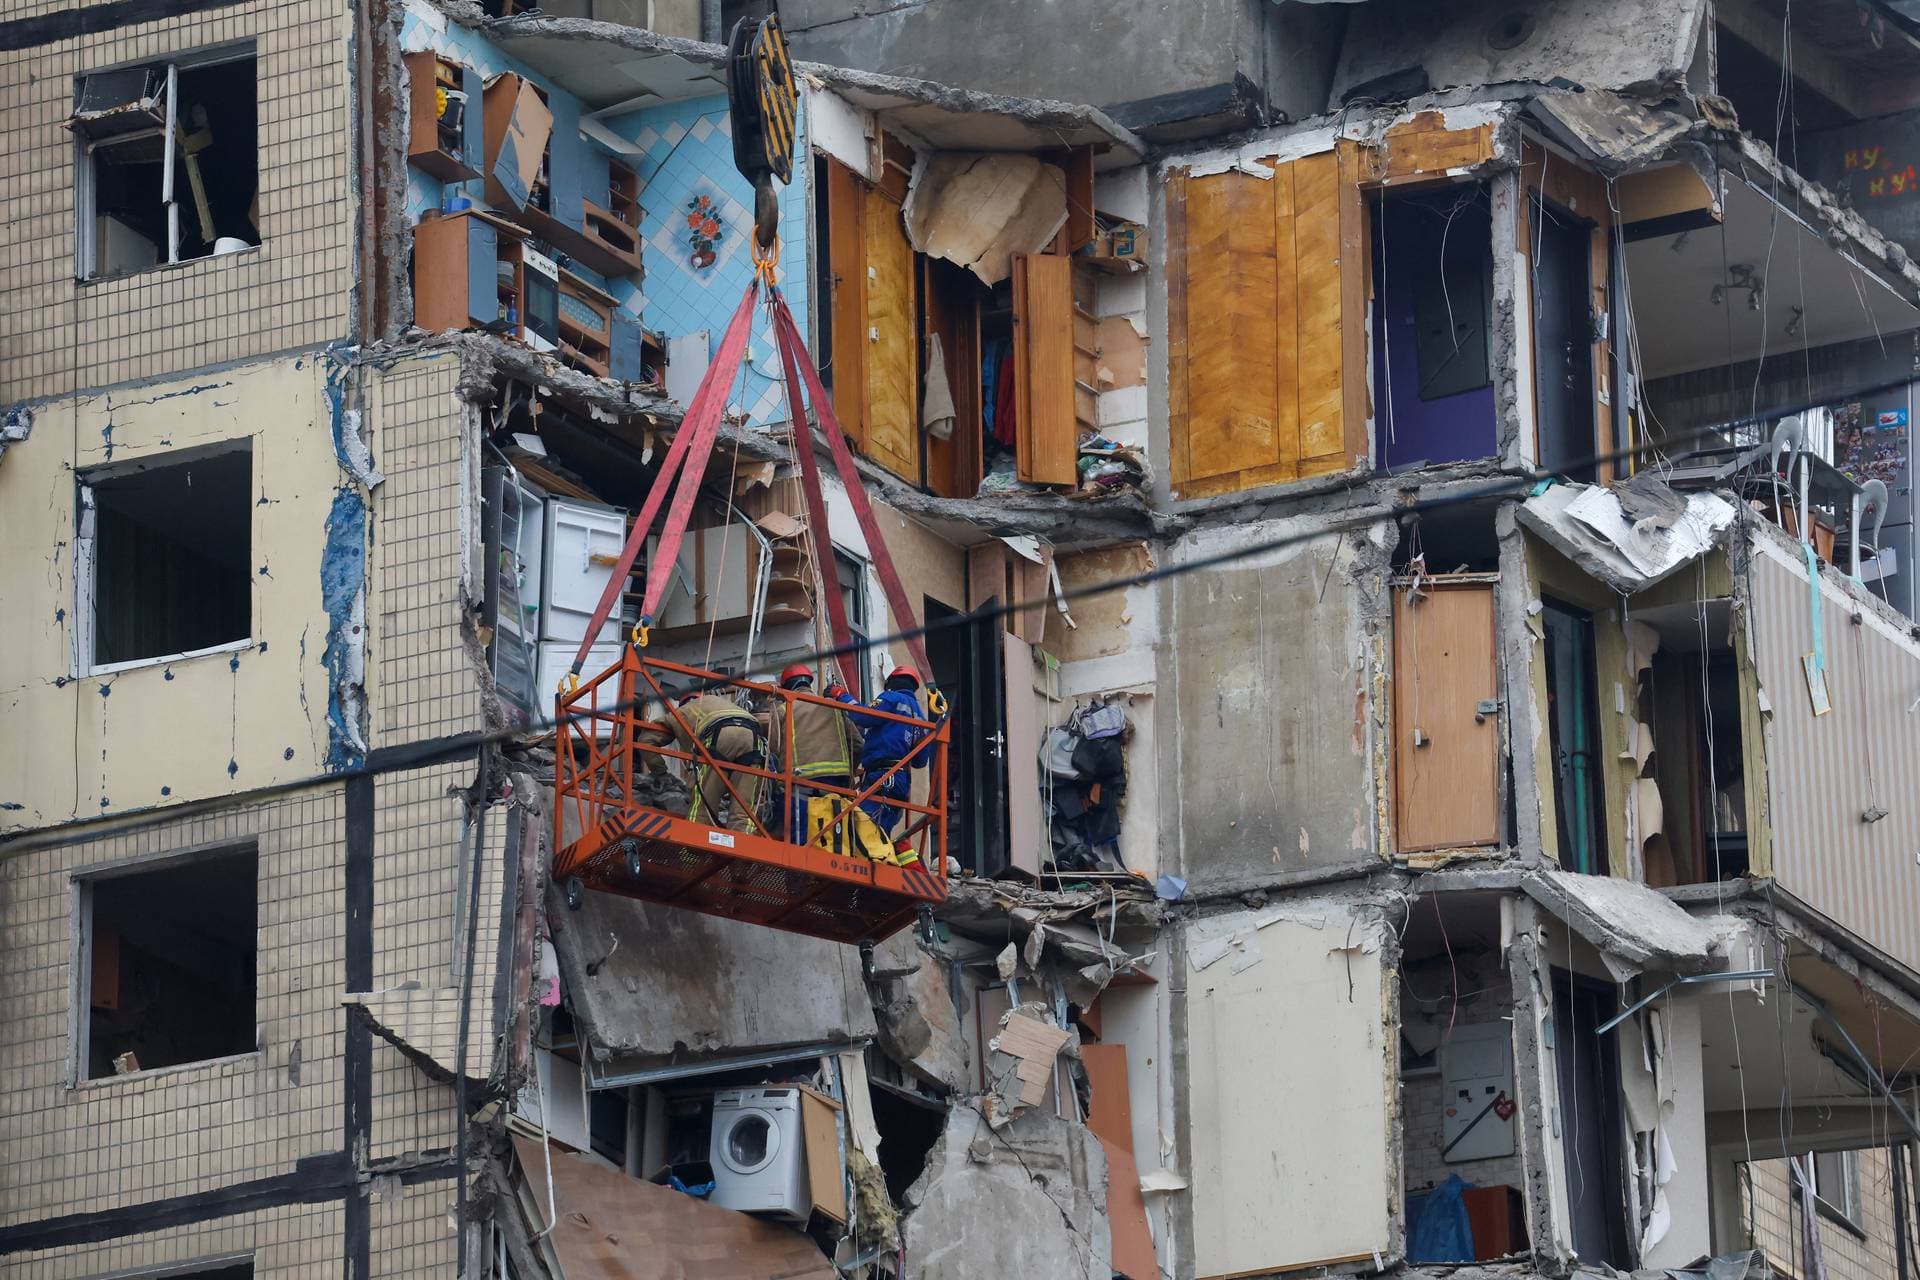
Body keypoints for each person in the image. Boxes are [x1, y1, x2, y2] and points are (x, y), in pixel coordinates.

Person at [641, 682, 767, 833]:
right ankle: (741, 848)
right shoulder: (726, 705)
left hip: (718, 737)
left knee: (703, 805)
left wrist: (660, 771)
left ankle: (693, 853)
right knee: (744, 809)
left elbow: (646, 740)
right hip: (753, 739)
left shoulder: (681, 712)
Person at [765, 662, 862, 840]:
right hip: (836, 783)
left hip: (799, 782)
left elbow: (772, 749)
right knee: (835, 840)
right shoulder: (834, 707)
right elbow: (856, 744)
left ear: (786, 686)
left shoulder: (783, 709)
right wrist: (849, 773)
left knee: (798, 839)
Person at [836, 666, 931, 843]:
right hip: (901, 782)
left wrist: (841, 695)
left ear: (890, 683)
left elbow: (864, 716)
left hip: (882, 777)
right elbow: (920, 761)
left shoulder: (891, 698)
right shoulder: (921, 718)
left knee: (861, 827)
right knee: (880, 833)